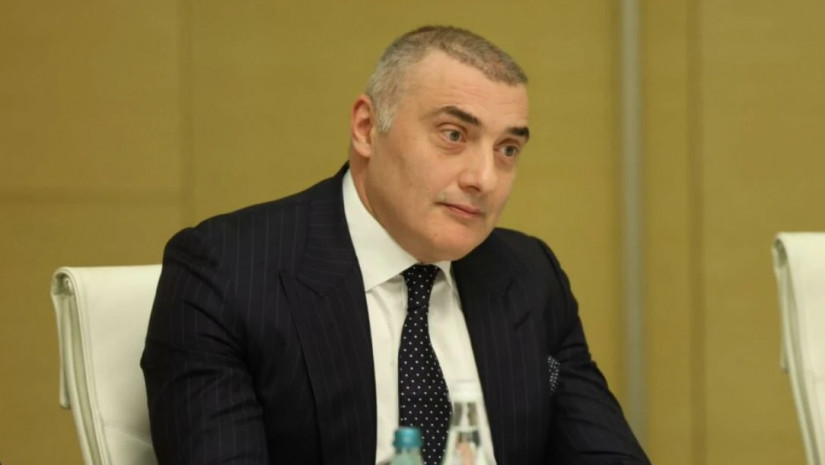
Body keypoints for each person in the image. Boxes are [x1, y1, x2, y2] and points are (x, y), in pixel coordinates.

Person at [141, 25, 650, 465]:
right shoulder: (228, 273)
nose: (484, 178)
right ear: (367, 128)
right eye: (453, 135)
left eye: (508, 149)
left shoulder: (529, 276)